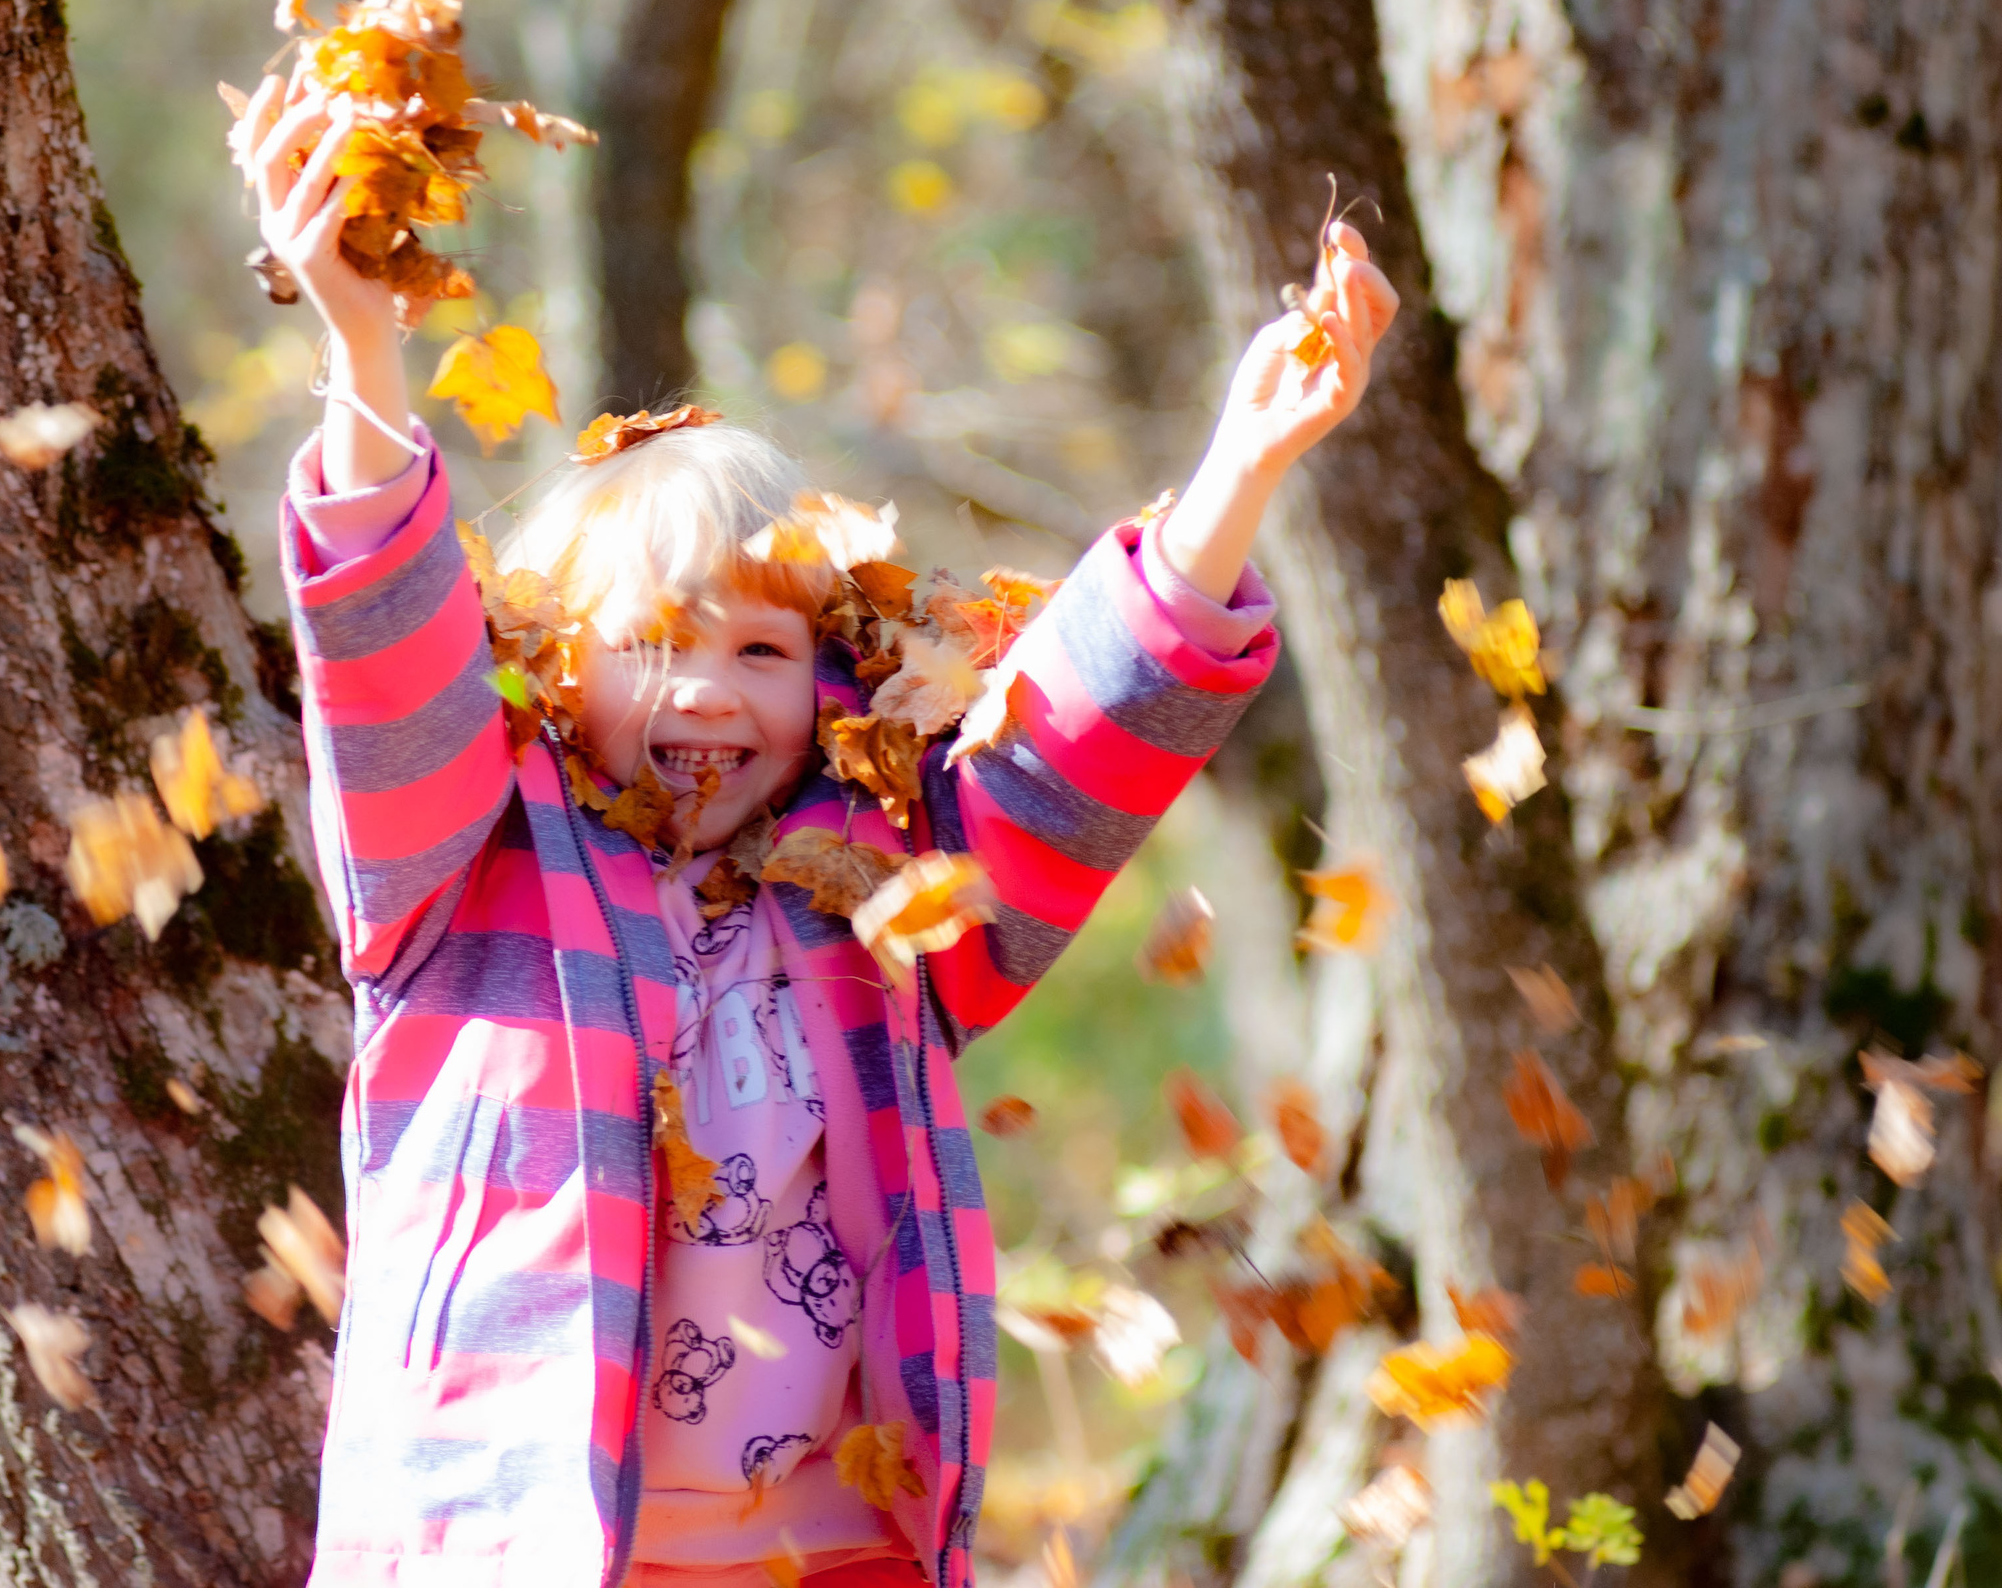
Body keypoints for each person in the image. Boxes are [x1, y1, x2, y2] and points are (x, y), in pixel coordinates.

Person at [235, 81, 1398, 1587]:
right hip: (517, 1545)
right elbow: (383, 654)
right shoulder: (464, 871)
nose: (711, 690)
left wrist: (1239, 467)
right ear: (545, 666)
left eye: (765, 654)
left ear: (829, 679)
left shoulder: (868, 901)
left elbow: (1068, 760)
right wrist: (361, 341)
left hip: (832, 1553)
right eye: (657, 642)